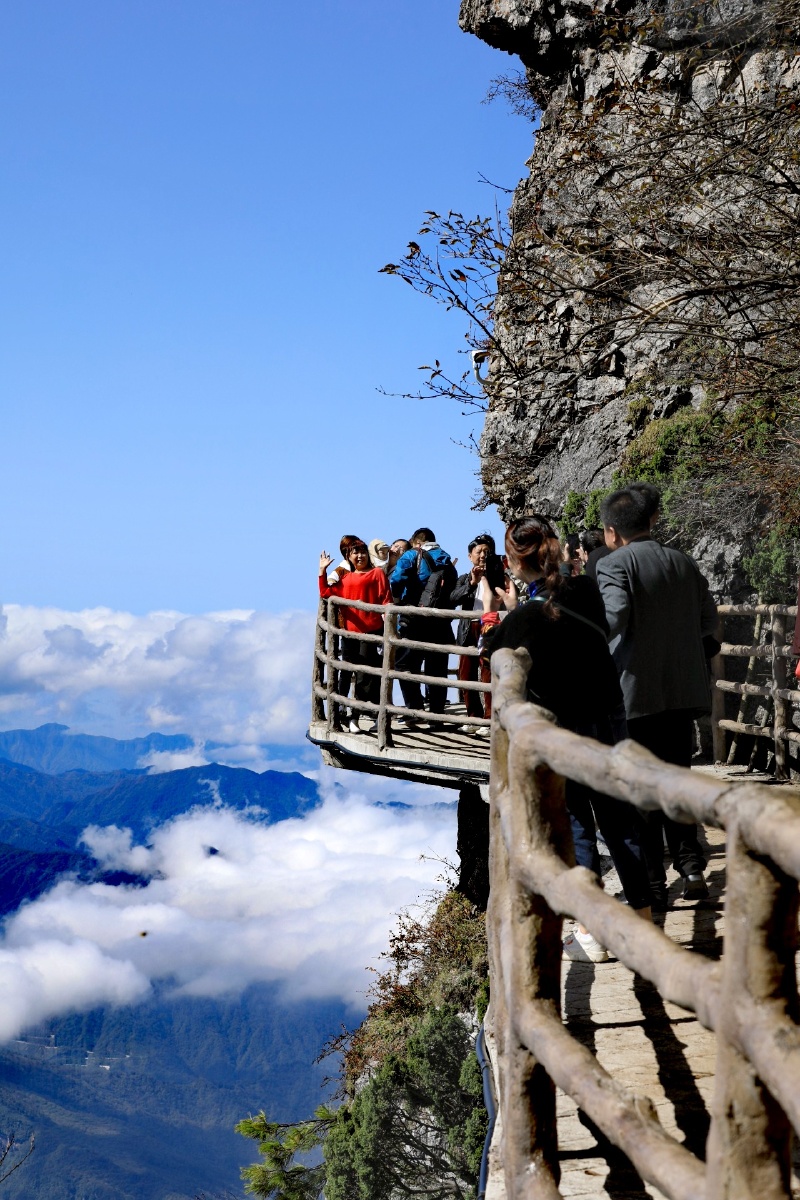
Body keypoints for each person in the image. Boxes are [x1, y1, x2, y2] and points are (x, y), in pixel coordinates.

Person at [481, 514, 652, 962]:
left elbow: (490, 650)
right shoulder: (586, 590)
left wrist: (496, 610)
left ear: (516, 561)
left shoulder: (524, 618)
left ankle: (591, 931)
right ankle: (645, 921)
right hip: (609, 716)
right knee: (619, 818)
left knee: (578, 826)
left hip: (566, 729)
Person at [596, 486, 718, 908]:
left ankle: (650, 885)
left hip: (635, 695)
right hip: (683, 691)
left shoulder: (614, 565)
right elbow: (708, 620)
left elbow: (614, 617)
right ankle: (692, 867)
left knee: (640, 791)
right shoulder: (683, 562)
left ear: (612, 531)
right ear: (651, 521)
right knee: (676, 778)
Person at [319, 540, 391, 733]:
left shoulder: (377, 573)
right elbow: (326, 592)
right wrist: (322, 572)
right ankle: (354, 717)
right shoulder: (346, 579)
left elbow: (386, 599)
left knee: (365, 677)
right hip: (350, 633)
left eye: (362, 552)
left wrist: (388, 624)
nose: (359, 556)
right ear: (348, 557)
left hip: (372, 632)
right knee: (350, 671)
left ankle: (357, 715)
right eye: (354, 553)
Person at [389, 527, 457, 723]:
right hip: (441, 622)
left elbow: (397, 579)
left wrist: (397, 600)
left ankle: (415, 710)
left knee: (404, 665)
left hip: (415, 619)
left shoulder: (412, 555)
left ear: (417, 542)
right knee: (437, 668)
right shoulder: (446, 558)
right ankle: (436, 715)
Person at [450, 535, 496, 732]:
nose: (483, 555)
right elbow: (453, 598)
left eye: (487, 551)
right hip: (469, 627)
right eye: (479, 552)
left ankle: (489, 719)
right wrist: (472, 583)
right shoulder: (464, 578)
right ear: (470, 556)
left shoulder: (497, 576)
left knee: (488, 673)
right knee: (465, 673)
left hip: (489, 627)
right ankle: (472, 717)